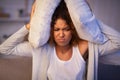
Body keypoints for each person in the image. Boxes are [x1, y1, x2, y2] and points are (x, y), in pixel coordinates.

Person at [0, 0, 120, 80]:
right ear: (51, 30)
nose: (61, 34)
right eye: (57, 29)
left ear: (73, 29)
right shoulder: (42, 49)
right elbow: (4, 49)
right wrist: (30, 25)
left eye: (66, 29)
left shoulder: (85, 47)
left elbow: (117, 42)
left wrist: (92, 23)